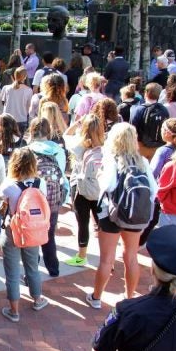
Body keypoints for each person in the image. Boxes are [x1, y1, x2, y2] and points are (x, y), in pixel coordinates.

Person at [86, 123, 158, 309]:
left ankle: (96, 297)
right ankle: (129, 296)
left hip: (112, 214)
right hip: (135, 215)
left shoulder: (112, 160)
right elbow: (154, 189)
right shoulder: (143, 162)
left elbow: (107, 186)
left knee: (106, 259)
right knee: (131, 257)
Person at [0, 147, 51, 322]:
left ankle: (14, 310)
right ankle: (37, 299)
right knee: (32, 267)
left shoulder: (10, 186)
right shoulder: (40, 183)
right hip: (32, 231)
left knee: (12, 272)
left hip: (12, 229)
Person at [27, 117, 68, 277]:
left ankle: (32, 270)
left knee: (32, 236)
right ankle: (53, 268)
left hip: (33, 200)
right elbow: (62, 174)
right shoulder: (58, 150)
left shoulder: (28, 149)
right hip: (53, 199)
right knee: (49, 235)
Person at [64, 114, 105, 267]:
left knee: (83, 222)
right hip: (99, 189)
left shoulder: (78, 145)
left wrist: (76, 123)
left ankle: (82, 255)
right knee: (101, 223)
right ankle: (106, 258)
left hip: (80, 187)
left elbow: (66, 134)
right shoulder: (105, 146)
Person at [130, 83, 170, 160]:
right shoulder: (164, 110)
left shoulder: (138, 110)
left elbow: (132, 129)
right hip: (158, 147)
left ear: (146, 93)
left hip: (141, 146)